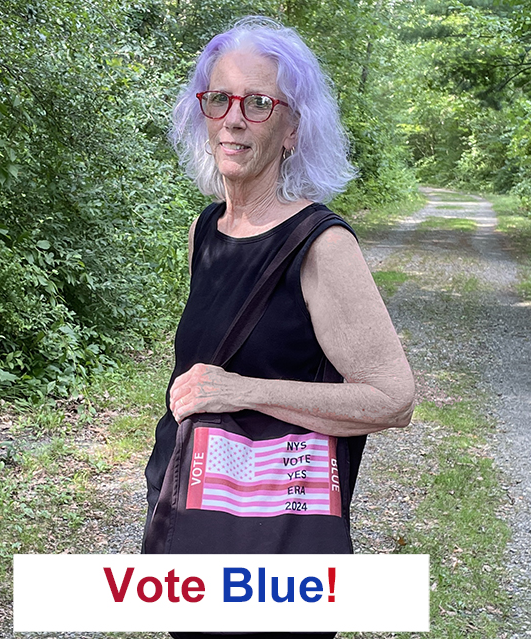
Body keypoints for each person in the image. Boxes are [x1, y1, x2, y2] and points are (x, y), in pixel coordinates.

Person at [143, 16, 415, 639]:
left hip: (276, 537)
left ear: (293, 129)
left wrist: (245, 391)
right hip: (196, 511)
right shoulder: (205, 231)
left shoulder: (320, 244)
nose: (233, 118)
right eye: (219, 98)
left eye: (259, 103)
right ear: (202, 111)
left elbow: (392, 400)